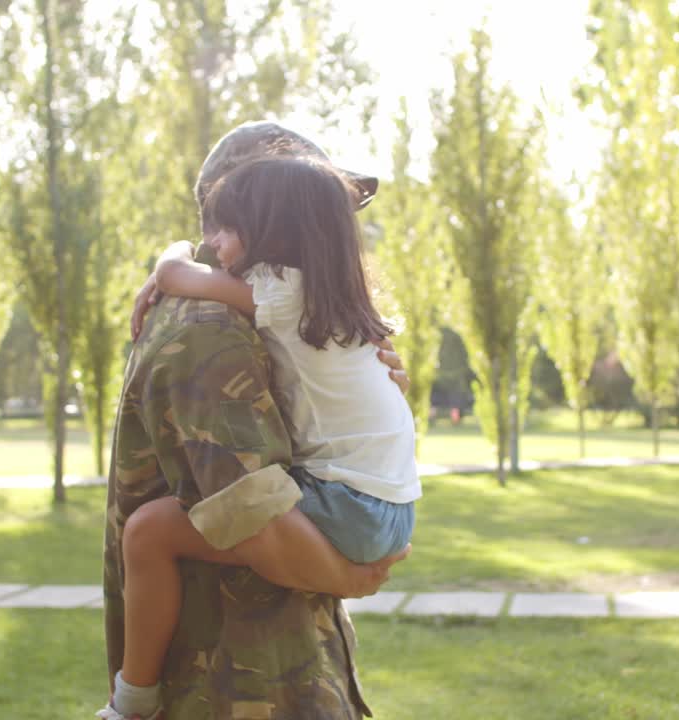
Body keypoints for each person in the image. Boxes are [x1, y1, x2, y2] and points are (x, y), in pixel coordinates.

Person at [100, 121, 412, 720]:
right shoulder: (211, 332)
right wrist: (355, 576)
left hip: (277, 675)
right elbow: (254, 520)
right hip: (235, 687)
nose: (339, 229)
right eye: (323, 208)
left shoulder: (279, 320)